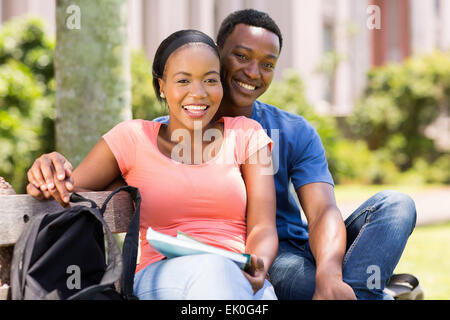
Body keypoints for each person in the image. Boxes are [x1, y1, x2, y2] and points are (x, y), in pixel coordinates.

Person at [28, 9, 417, 300]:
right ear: (162, 86)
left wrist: (319, 272)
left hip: (260, 263)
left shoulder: (259, 134)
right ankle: (376, 293)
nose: (252, 71)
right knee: (255, 276)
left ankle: (352, 290)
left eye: (267, 64)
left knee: (395, 206)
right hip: (198, 270)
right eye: (241, 56)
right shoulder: (142, 134)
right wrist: (50, 163)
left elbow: (310, 215)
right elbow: (82, 183)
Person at [26, 29, 278, 300]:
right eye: (183, 80)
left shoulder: (249, 135)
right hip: (162, 276)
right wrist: (48, 166)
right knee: (213, 272)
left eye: (210, 80)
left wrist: (258, 262)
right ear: (161, 86)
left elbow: (263, 226)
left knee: (236, 285)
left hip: (240, 278)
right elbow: (63, 188)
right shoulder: (131, 139)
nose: (198, 93)